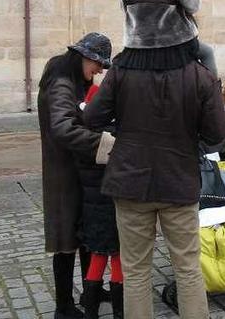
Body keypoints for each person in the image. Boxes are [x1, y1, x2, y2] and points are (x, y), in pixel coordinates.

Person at [84, 0, 225, 319]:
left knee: (136, 271)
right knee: (188, 268)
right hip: (178, 182)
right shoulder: (199, 76)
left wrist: (126, 126)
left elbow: (92, 119)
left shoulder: (121, 71)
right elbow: (215, 136)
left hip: (131, 182)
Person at [38, 32, 113, 319]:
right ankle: (64, 306)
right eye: (97, 65)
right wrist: (105, 144)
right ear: (84, 57)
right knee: (66, 242)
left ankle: (91, 289)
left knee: (83, 235)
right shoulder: (61, 82)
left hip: (76, 170)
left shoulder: (70, 78)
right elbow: (63, 127)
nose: (99, 71)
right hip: (64, 174)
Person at [76, 84, 122, 319]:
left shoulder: (81, 135)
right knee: (118, 257)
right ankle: (119, 313)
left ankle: (90, 313)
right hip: (112, 205)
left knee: (97, 256)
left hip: (91, 207)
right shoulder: (113, 135)